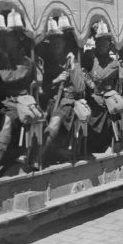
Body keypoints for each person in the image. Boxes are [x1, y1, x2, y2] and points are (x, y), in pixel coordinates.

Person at [0, 10, 41, 182]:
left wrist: (3, 60)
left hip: (18, 101)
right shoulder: (2, 58)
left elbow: (9, 78)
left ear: (17, 40)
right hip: (1, 101)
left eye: (8, 38)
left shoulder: (25, 61)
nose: (4, 41)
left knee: (9, 123)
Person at [38, 16, 87, 167]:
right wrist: (56, 80)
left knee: (55, 121)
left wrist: (72, 67)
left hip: (67, 100)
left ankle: (39, 157)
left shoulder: (72, 60)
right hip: (50, 99)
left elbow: (80, 88)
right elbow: (42, 87)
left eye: (58, 41)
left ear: (64, 43)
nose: (56, 45)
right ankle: (50, 151)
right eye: (53, 42)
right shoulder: (47, 61)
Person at [84, 21, 123, 151]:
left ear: (109, 44)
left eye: (105, 42)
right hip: (92, 94)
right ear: (96, 43)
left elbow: (116, 83)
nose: (102, 45)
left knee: (113, 108)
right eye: (100, 42)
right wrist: (90, 85)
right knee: (93, 108)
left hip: (108, 94)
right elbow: (83, 71)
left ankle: (110, 143)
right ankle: (91, 146)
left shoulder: (114, 63)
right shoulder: (90, 57)